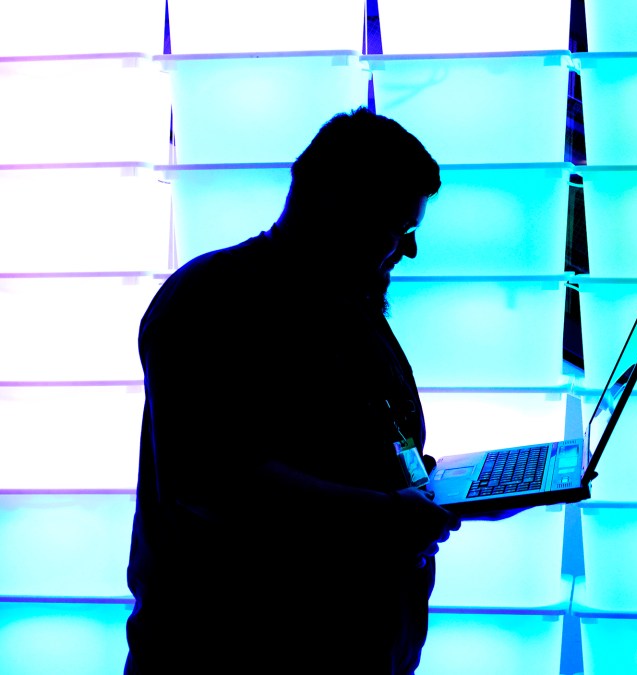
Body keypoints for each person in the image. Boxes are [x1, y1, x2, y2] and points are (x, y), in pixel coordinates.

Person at [125, 107, 463, 675]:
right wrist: (387, 516)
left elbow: (356, 446)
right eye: (397, 230)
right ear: (336, 205)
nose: (407, 252)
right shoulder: (210, 302)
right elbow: (213, 483)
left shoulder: (348, 303)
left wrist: (431, 489)